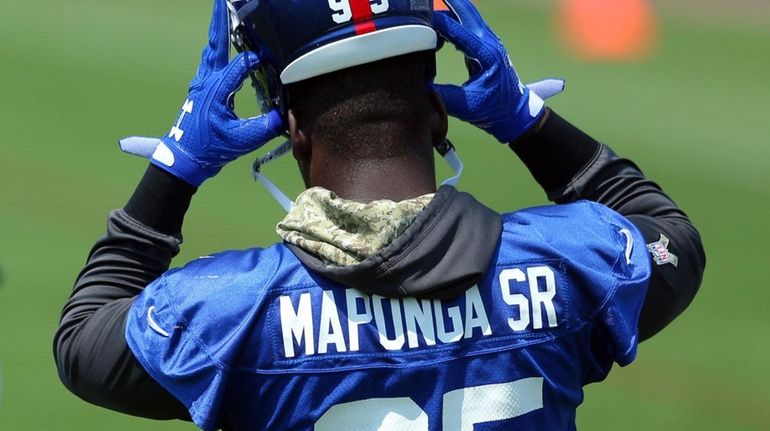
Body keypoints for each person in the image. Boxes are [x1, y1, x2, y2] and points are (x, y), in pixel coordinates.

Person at [54, 0, 705, 429]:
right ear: (440, 111)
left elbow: (83, 342)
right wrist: (525, 119)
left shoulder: (229, 312)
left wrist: (176, 167)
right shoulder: (573, 263)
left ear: (293, 131)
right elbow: (671, 237)